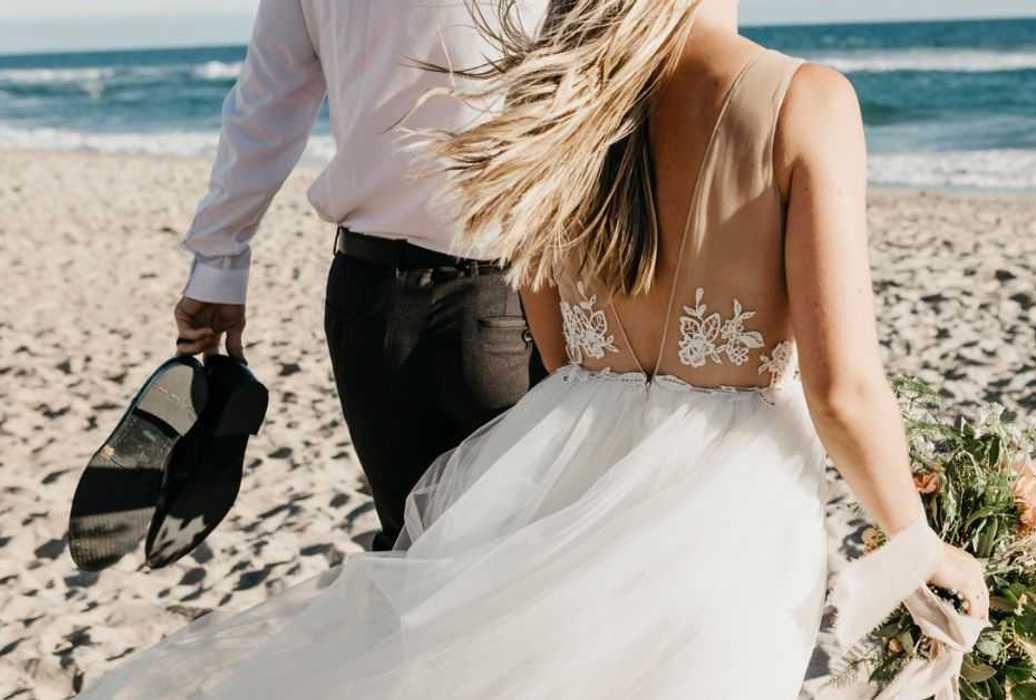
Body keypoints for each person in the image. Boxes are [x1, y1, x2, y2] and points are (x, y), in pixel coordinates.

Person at [82, 0, 990, 696]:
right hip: (727, 491)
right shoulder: (805, 101)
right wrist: (916, 545)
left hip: (535, 417)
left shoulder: (556, 114)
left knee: (461, 626)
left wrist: (220, 256)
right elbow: (843, 391)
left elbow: (554, 343)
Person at [170, 0, 547, 552]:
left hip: (374, 293)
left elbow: (266, 106)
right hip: (502, 289)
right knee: (513, 554)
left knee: (413, 551)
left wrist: (218, 266)